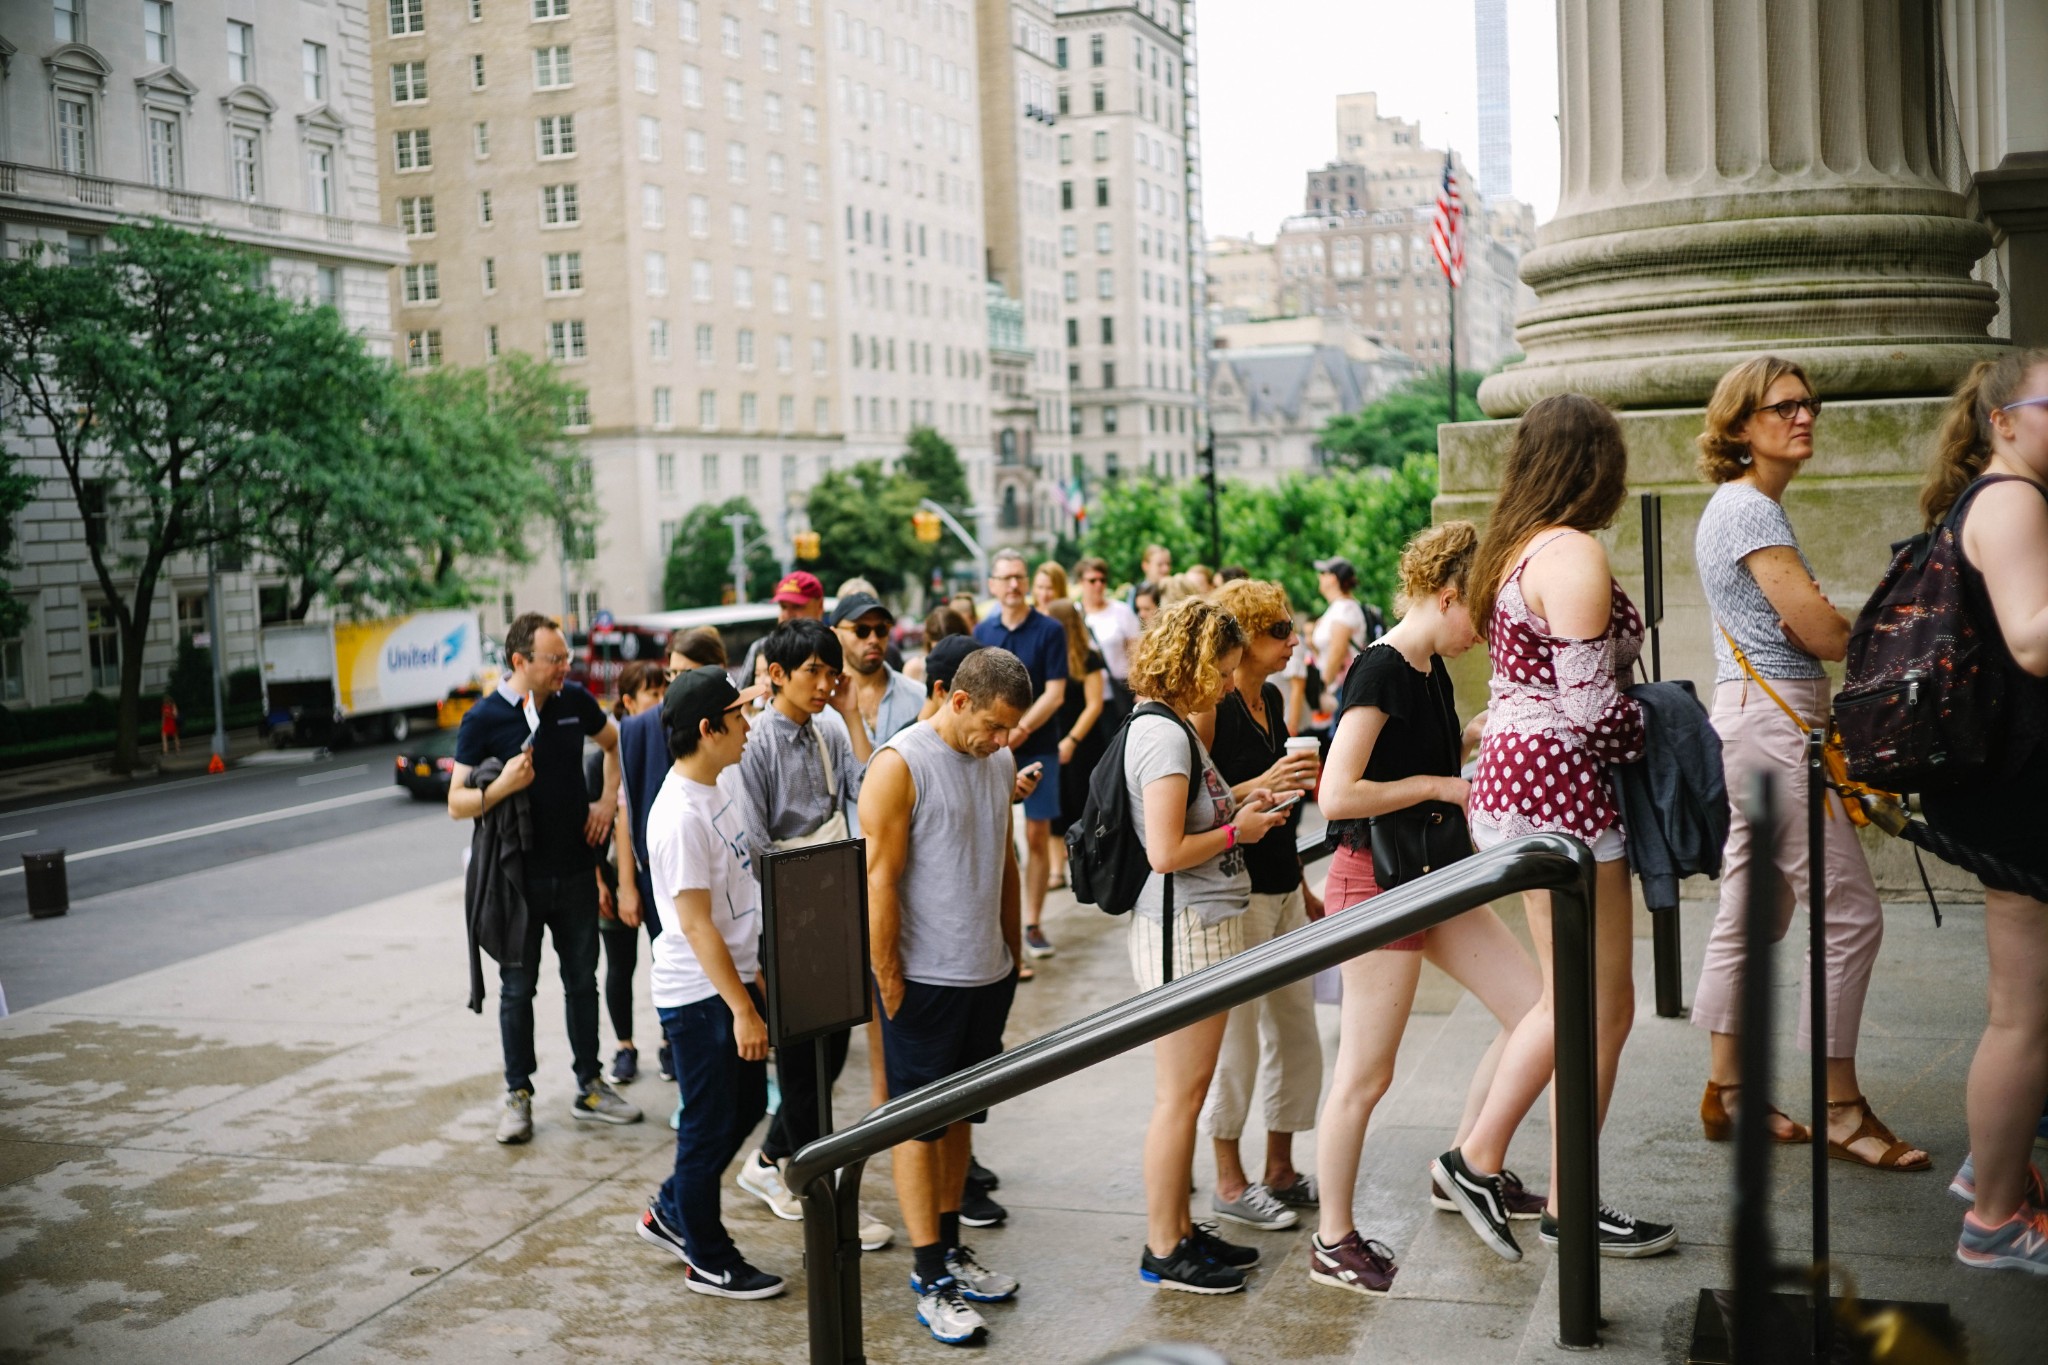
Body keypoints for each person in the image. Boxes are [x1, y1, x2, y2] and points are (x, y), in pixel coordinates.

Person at [1433, 394, 1678, 1261]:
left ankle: (1566, 1194)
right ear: (1595, 465)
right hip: (1559, 786)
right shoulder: (1571, 550)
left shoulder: (1519, 548)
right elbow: (1590, 708)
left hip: (1522, 779)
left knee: (1595, 1001)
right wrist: (1663, 727)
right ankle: (1480, 1159)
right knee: (1588, 1000)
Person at [1687, 357, 1927, 1169]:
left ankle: (1728, 1091)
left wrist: (1829, 623)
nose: (1805, 417)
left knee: (1753, 910)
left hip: (1761, 721)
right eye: (1784, 405)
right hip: (1773, 727)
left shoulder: (1744, 508)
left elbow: (1811, 625)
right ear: (1741, 424)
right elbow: (1819, 631)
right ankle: (1839, 1106)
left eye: (1809, 404)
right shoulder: (1749, 509)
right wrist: (1893, 631)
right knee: (1851, 912)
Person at [1309, 525, 1546, 1296]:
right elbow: (1337, 793)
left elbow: (1418, 754)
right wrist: (1444, 785)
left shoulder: (1429, 665)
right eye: (1476, 612)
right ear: (1445, 597)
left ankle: (1468, 1163)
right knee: (1364, 1076)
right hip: (1375, 879)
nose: (1483, 630)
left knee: (1536, 1011)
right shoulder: (1381, 667)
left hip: (1431, 869)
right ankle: (1332, 1237)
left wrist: (1481, 732)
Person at [1918, 350, 2048, 1274]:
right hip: (2025, 791)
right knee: (2022, 1016)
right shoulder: (2012, 500)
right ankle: (1995, 1218)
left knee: (2025, 1011)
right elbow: (2034, 638)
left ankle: (1993, 1172)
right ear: (2004, 419)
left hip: (2012, 784)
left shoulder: (1995, 496)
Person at [861, 647, 1034, 1344]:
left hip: (983, 974)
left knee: (962, 1119)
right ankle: (928, 1273)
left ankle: (953, 1247)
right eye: (993, 725)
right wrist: (889, 979)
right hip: (924, 981)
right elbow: (879, 879)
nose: (1001, 742)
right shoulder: (900, 763)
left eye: (1010, 731)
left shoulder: (993, 761)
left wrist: (1012, 949)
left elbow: (1004, 858)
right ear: (955, 699)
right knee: (917, 1125)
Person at [1122, 597, 1291, 1293]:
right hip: (1184, 927)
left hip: (1199, 923)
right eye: (1221, 671)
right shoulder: (1163, 735)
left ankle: (1183, 1229)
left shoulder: (1167, 729)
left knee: (1186, 1095)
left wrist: (1243, 802)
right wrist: (1238, 833)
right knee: (1180, 1098)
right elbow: (1165, 850)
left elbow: (1192, 812)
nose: (1228, 683)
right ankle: (1165, 1243)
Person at [450, 611, 642, 1144]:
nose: (565, 667)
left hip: (577, 871)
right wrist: (503, 786)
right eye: (554, 659)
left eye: (566, 658)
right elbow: (456, 803)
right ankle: (518, 1094)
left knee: (583, 982)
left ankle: (590, 1085)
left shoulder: (573, 702)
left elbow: (616, 742)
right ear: (520, 661)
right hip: (518, 881)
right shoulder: (484, 719)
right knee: (518, 989)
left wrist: (606, 799)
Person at [731, 619, 891, 1250]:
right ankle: (814, 1192)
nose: (827, 685)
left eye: (833, 673)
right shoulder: (758, 741)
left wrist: (851, 716)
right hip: (785, 913)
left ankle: (771, 1162)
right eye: (814, 674)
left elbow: (868, 789)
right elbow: (755, 841)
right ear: (776, 675)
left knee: (832, 1053)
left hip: (828, 900)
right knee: (801, 1061)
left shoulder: (828, 728)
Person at [631, 667, 786, 1300]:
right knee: (705, 1125)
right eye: (739, 714)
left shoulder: (717, 786)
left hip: (728, 983)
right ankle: (709, 1258)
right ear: (708, 728)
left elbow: (735, 901)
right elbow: (695, 926)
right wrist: (742, 1009)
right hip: (699, 997)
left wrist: (755, 983)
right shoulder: (679, 817)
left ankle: (671, 1212)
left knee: (746, 1106)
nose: (748, 725)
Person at [1193, 579, 1324, 1235]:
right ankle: (1228, 1178)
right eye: (1279, 631)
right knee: (1235, 1042)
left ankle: (1279, 1166)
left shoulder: (1270, 697)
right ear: (1243, 639)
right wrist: (1263, 783)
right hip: (1236, 889)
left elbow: (1270, 806)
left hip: (1279, 881)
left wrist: (1301, 879)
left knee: (1297, 1028)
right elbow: (1197, 801)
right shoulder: (1210, 707)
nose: (1292, 640)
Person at [613, 629, 726, 1087]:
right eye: (671, 673)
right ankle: (672, 1049)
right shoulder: (644, 732)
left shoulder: (728, 729)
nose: (675, 686)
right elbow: (626, 807)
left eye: (683, 674)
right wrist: (624, 881)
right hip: (666, 875)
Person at [972, 550, 1069, 961]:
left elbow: (1056, 692)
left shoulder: (1049, 629)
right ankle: (1000, 923)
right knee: (998, 834)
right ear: (992, 584)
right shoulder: (982, 630)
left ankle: (1032, 922)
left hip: (1038, 744)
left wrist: (1020, 729)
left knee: (1036, 833)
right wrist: (997, 736)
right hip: (992, 749)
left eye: (1019, 577)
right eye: (1005, 578)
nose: (1013, 584)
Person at [590, 660, 665, 1086]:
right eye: (651, 694)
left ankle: (670, 1043)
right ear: (629, 702)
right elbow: (596, 832)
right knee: (619, 967)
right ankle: (624, 1046)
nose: (659, 702)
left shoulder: (667, 744)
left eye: (662, 693)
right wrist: (609, 885)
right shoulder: (607, 756)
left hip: (655, 880)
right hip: (617, 881)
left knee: (665, 961)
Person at [1045, 600, 1108, 894]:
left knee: (1081, 803)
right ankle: (1057, 869)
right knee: (1054, 806)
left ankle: (1086, 867)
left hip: (1082, 742)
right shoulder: (1048, 657)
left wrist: (1071, 741)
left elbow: (1094, 705)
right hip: (1051, 739)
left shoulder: (1088, 658)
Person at [831, 592, 927, 754]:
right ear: (836, 635)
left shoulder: (919, 696)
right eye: (861, 630)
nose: (873, 639)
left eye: (881, 630)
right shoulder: (822, 701)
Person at [740, 571, 827, 689]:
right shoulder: (762, 647)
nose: (787, 615)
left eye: (797, 606)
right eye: (783, 607)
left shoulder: (835, 645)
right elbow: (741, 697)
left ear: (820, 606)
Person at [1076, 556, 1143, 701]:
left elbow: (1137, 653)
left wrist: (1140, 688)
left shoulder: (1121, 611)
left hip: (1118, 694)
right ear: (1081, 582)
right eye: (1092, 581)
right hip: (1086, 695)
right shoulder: (1074, 614)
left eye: (1103, 580)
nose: (1098, 585)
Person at [1311, 557, 1369, 697]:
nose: (1319, 576)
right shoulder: (1339, 608)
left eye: (1323, 573)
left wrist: (1323, 688)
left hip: (1341, 689)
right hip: (1340, 688)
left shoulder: (1344, 609)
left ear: (1333, 578)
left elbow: (1338, 652)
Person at [904, 606, 972, 686]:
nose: (944, 655)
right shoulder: (915, 668)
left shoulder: (973, 666)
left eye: (951, 649)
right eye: (939, 648)